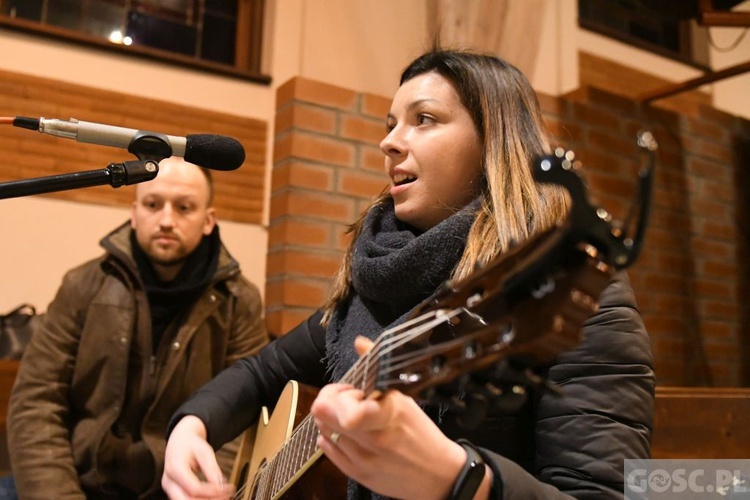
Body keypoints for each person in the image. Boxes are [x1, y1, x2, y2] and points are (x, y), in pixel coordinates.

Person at [161, 49, 654, 499]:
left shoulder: (575, 291)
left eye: (424, 119)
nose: (389, 142)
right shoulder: (370, 285)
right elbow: (259, 371)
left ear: (494, 143)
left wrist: (462, 480)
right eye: (391, 124)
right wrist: (192, 426)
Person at [6, 156, 269, 499]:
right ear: (134, 213)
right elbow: (36, 402)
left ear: (208, 221)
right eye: (152, 204)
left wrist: (200, 489)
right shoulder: (82, 285)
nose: (166, 220)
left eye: (184, 207)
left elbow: (244, 411)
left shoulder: (240, 301)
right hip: (78, 484)